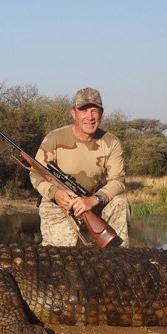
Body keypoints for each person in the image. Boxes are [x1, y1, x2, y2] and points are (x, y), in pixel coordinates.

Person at [30, 88, 131, 247]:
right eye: (83, 110)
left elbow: (118, 181)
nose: (89, 117)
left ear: (101, 113)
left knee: (120, 202)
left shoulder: (112, 142)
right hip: (58, 204)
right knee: (61, 260)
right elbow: (36, 174)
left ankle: (118, 258)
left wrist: (94, 200)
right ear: (73, 113)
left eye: (94, 111)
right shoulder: (53, 138)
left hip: (92, 203)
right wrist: (56, 193)